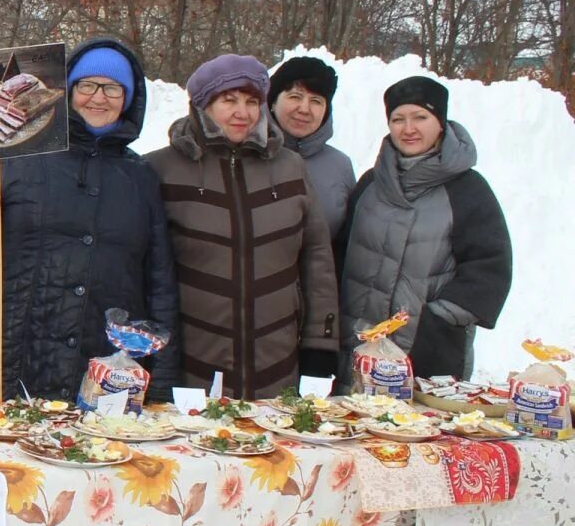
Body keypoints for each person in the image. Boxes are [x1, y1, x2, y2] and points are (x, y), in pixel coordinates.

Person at [0, 38, 180, 404]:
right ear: (68, 90)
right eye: (87, 85)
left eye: (112, 88)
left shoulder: (139, 178)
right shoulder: (15, 157)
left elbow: (159, 279)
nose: (99, 97)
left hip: (104, 370)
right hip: (14, 358)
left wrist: (163, 371)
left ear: (128, 98)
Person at [145, 54, 340, 399]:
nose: (242, 112)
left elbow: (317, 259)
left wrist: (320, 344)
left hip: (277, 368)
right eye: (229, 100)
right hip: (193, 368)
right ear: (203, 104)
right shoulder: (162, 169)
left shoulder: (290, 167)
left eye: (252, 101)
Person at [337, 76, 512, 381]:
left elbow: (490, 267)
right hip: (362, 347)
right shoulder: (370, 184)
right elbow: (340, 254)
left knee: (425, 427)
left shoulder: (467, 189)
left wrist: (441, 317)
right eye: (398, 119)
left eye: (420, 117)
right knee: (353, 423)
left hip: (429, 351)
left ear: (440, 122)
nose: (409, 128)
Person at [269, 55, 355, 235]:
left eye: (316, 101)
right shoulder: (246, 153)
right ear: (273, 102)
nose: (304, 109)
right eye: (295, 96)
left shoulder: (341, 166)